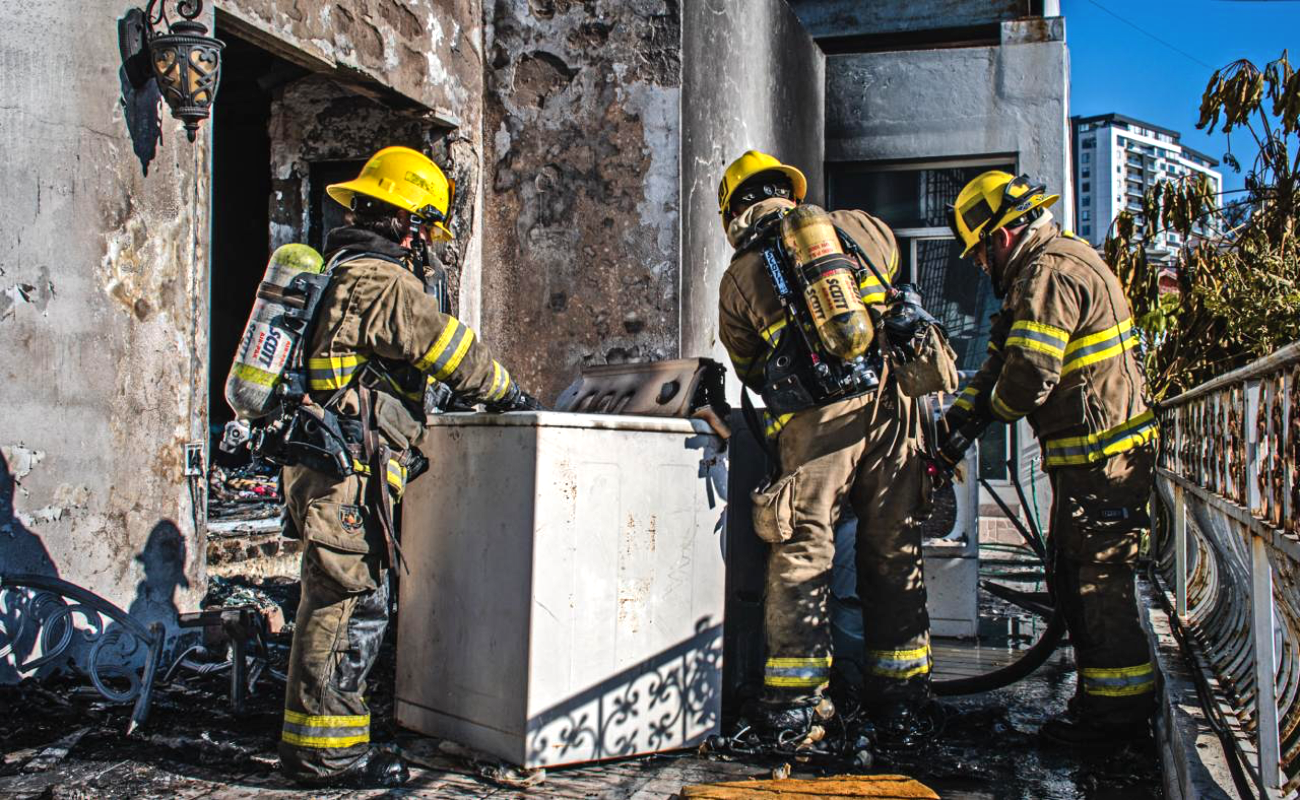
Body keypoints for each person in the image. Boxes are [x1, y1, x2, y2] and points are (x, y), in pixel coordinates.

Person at [278, 146, 540, 787]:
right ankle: (327, 755)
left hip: (328, 463)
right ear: (405, 219)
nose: (425, 243)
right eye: (424, 228)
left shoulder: (344, 269)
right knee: (346, 601)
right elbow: (450, 350)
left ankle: (326, 741)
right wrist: (511, 394)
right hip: (345, 473)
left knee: (336, 598)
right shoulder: (381, 281)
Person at [716, 150, 935, 744]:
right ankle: (903, 700)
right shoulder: (860, 227)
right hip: (894, 408)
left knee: (802, 548)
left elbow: (751, 369)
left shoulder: (739, 276)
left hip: (816, 424)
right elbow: (893, 281)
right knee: (893, 551)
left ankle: (794, 705)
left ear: (734, 209)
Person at [938, 170, 1157, 747]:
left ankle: (1116, 723)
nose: (981, 266)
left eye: (980, 252)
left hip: (1102, 463)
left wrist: (988, 416)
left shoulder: (1049, 273)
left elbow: (1028, 375)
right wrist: (956, 422)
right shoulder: (1047, 269)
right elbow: (997, 365)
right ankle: (1100, 707)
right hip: (1090, 463)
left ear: (1002, 236)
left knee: (1096, 583)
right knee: (1072, 574)